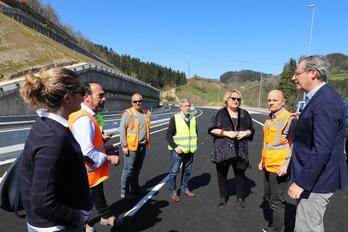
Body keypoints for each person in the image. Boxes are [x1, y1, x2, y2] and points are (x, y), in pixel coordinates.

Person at [20, 68, 91, 232]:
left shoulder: (45, 124)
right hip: (56, 227)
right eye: (81, 91)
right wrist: (77, 217)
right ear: (67, 97)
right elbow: (42, 202)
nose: (84, 95)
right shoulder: (53, 137)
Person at [288, 55, 348, 231]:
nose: (293, 77)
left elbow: (322, 149)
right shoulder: (318, 98)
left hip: (317, 181)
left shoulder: (325, 101)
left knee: (307, 227)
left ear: (313, 73)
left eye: (297, 73)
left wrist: (301, 182)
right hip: (314, 177)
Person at [68, 82, 120, 232]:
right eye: (100, 95)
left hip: (90, 173)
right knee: (82, 208)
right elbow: (87, 153)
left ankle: (100, 217)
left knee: (90, 201)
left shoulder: (88, 116)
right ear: (86, 97)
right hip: (85, 174)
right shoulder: (84, 119)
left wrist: (105, 147)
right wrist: (109, 158)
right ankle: (82, 226)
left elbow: (87, 145)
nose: (104, 99)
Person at [208, 90, 255, 209]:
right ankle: (223, 197)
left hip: (240, 151)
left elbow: (251, 129)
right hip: (223, 150)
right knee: (222, 175)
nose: (236, 101)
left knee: (240, 175)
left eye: (238, 99)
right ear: (227, 99)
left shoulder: (245, 114)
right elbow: (212, 129)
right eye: (233, 98)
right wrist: (226, 133)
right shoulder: (219, 113)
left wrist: (246, 132)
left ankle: (240, 198)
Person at [259, 90, 294, 232]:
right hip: (268, 165)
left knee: (277, 201)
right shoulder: (269, 118)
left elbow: (295, 145)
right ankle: (274, 225)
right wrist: (262, 159)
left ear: (283, 101)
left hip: (279, 168)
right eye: (269, 100)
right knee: (267, 197)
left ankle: (276, 229)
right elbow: (267, 142)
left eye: (275, 100)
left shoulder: (289, 119)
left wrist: (286, 164)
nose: (271, 103)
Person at [119, 93, 151, 199]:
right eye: (135, 101)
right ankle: (124, 191)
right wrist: (124, 145)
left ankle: (135, 188)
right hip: (131, 146)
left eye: (140, 101)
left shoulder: (145, 113)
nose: (138, 103)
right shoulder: (128, 113)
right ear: (131, 102)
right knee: (128, 169)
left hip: (142, 145)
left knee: (137, 168)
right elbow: (122, 129)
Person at [166, 99, 198, 202]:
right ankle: (173, 192)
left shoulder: (193, 118)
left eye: (189, 105)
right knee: (174, 172)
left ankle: (185, 188)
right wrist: (175, 147)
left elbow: (196, 133)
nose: (187, 108)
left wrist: (195, 144)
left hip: (190, 151)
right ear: (180, 107)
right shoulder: (175, 118)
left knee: (187, 172)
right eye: (185, 106)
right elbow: (168, 135)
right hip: (178, 151)